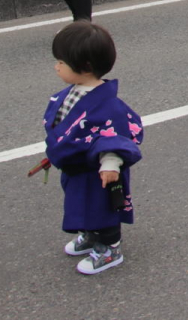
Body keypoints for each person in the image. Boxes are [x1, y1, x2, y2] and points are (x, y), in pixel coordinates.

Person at [44, 20, 143, 275]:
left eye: (61, 62)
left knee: (101, 207)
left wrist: (110, 164)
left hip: (98, 171)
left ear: (85, 66)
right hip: (76, 167)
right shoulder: (74, 93)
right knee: (80, 204)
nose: (56, 67)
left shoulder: (108, 106)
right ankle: (90, 235)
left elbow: (114, 136)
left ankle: (110, 248)